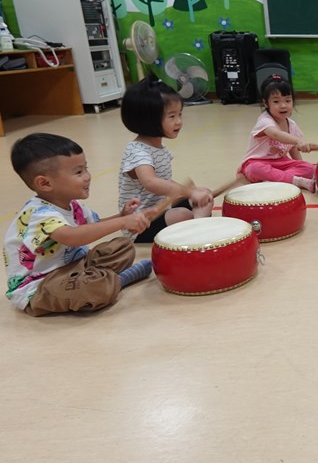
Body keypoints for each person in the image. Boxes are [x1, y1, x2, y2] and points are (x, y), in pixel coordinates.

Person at [5, 133, 154, 316]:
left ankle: (105, 281)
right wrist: (123, 222)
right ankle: (117, 281)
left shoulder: (71, 204)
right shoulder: (40, 214)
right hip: (40, 286)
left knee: (122, 247)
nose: (88, 177)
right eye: (78, 172)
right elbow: (73, 237)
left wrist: (121, 216)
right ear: (45, 183)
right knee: (91, 288)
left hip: (75, 266)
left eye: (86, 169)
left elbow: (93, 226)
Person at [118, 76, 214, 243]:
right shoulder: (137, 150)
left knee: (204, 194)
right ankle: (200, 227)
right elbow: (151, 182)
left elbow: (165, 182)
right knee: (183, 213)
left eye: (180, 114)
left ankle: (197, 222)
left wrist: (192, 193)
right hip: (141, 224)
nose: (179, 122)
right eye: (171, 116)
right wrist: (189, 191)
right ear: (148, 119)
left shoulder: (159, 147)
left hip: (162, 209)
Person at [238, 74, 317, 192]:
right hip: (257, 162)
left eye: (288, 100)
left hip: (280, 164)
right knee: (254, 169)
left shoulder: (292, 125)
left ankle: (275, 180)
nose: (283, 105)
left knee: (308, 168)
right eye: (276, 101)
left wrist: (301, 164)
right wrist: (298, 141)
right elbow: (275, 134)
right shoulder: (264, 121)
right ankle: (295, 181)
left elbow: (293, 149)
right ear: (265, 103)